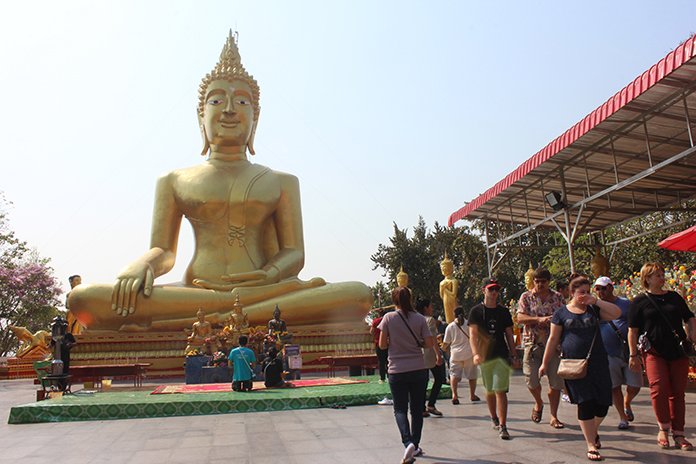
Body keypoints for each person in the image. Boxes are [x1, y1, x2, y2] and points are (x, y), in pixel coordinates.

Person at [67, 32, 372, 332]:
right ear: (201, 116)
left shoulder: (281, 181)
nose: (228, 109)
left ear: (256, 116)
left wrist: (269, 276)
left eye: (241, 101)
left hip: (263, 290)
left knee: (358, 294)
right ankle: (236, 317)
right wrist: (142, 265)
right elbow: (164, 250)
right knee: (83, 298)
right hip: (197, 292)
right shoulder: (174, 180)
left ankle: (209, 322)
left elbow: (295, 252)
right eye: (217, 100)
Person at [540, 276, 621, 461]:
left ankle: (592, 431)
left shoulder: (594, 309)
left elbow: (616, 313)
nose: (585, 296)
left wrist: (597, 301)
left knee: (603, 405)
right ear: (572, 293)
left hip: (598, 363)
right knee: (585, 402)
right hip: (574, 365)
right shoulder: (561, 313)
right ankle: (591, 444)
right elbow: (553, 339)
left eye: (587, 291)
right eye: (581, 292)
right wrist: (545, 363)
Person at [628, 262, 696, 451]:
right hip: (653, 351)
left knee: (678, 393)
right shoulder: (639, 301)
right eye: (657, 275)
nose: (662, 277)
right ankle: (663, 429)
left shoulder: (674, 297)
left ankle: (679, 434)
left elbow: (689, 316)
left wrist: (693, 333)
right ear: (647, 279)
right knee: (659, 389)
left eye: (662, 274)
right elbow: (632, 331)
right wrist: (633, 354)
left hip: (678, 351)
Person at [378, 287, 434, 464]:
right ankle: (415, 445)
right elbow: (429, 343)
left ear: (394, 301)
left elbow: (382, 346)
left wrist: (395, 340)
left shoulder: (388, 318)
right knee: (417, 410)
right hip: (419, 369)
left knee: (400, 409)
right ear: (410, 299)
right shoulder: (419, 318)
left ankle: (407, 442)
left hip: (397, 370)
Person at [469, 278, 519, 440]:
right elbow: (473, 335)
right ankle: (493, 417)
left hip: (500, 355)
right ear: (484, 291)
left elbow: (510, 335)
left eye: (496, 289)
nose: (494, 292)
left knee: (500, 389)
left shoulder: (503, 311)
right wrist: (476, 354)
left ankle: (503, 425)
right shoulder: (476, 311)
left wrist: (514, 355)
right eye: (491, 289)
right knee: (490, 390)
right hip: (484, 357)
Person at [517, 267, 565, 428]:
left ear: (548, 282)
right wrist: (539, 319)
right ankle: (539, 403)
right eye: (536, 282)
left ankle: (554, 416)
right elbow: (520, 317)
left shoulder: (557, 297)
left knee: (555, 383)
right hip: (533, 345)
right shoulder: (527, 297)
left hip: (554, 346)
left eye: (542, 282)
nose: (539, 285)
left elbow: (565, 316)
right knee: (531, 379)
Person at [594, 276, 642, 429]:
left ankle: (627, 401)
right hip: (608, 352)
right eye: (598, 289)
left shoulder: (626, 304)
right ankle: (623, 416)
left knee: (635, 385)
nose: (601, 291)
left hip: (628, 351)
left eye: (604, 288)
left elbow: (636, 324)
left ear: (611, 288)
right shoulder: (595, 307)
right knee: (614, 386)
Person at [442, 306, 479, 404]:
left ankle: (454, 395)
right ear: (464, 314)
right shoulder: (469, 325)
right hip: (469, 353)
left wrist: (443, 349)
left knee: (454, 375)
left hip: (455, 355)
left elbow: (446, 342)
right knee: (472, 376)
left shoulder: (450, 327)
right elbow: (476, 338)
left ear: (453, 315)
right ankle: (472, 395)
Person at [416, 297, 445, 417]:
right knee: (439, 378)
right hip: (429, 353)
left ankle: (422, 407)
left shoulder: (415, 319)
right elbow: (432, 338)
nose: (432, 308)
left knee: (423, 381)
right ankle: (431, 404)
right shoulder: (430, 320)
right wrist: (438, 355)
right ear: (426, 308)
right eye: (431, 306)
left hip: (418, 353)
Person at [370, 308, 389, 383]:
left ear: (378, 314)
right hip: (388, 343)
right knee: (388, 360)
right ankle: (389, 376)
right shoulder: (388, 321)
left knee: (381, 361)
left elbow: (371, 331)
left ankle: (382, 377)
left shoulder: (376, 321)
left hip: (378, 343)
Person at [439, 254, 458, 324]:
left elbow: (454, 295)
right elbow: (441, 296)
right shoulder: (442, 283)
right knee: (448, 320)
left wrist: (446, 289)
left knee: (454, 318)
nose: (443, 270)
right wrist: (442, 288)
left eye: (445, 268)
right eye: (442, 268)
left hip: (452, 302)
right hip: (446, 302)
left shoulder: (454, 281)